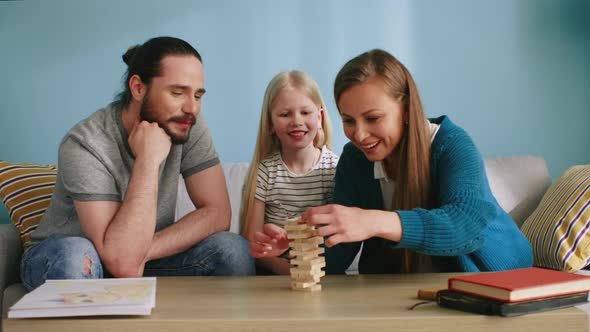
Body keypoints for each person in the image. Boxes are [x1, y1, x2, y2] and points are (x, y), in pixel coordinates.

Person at [21, 36, 254, 291]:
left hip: (138, 254)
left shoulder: (186, 124)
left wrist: (144, 249)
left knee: (233, 250)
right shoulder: (85, 143)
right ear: (138, 88)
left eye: (198, 95)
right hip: (73, 259)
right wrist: (148, 160)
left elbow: (217, 212)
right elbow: (122, 264)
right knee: (75, 254)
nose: (192, 108)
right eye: (178, 92)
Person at [302, 49, 533, 274]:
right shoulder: (355, 160)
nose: (359, 134)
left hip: (496, 276)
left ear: (405, 109)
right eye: (349, 120)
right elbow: (338, 254)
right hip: (407, 291)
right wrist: (299, 247)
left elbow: (465, 224)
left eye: (373, 118)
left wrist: (372, 221)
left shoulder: (451, 144)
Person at [242, 71, 339, 275]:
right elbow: (252, 242)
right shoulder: (265, 172)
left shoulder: (334, 168)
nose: (296, 121)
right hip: (274, 272)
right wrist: (289, 271)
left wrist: (312, 272)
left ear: (319, 117)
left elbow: (339, 238)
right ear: (270, 124)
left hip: (324, 271)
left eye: (305, 112)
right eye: (285, 114)